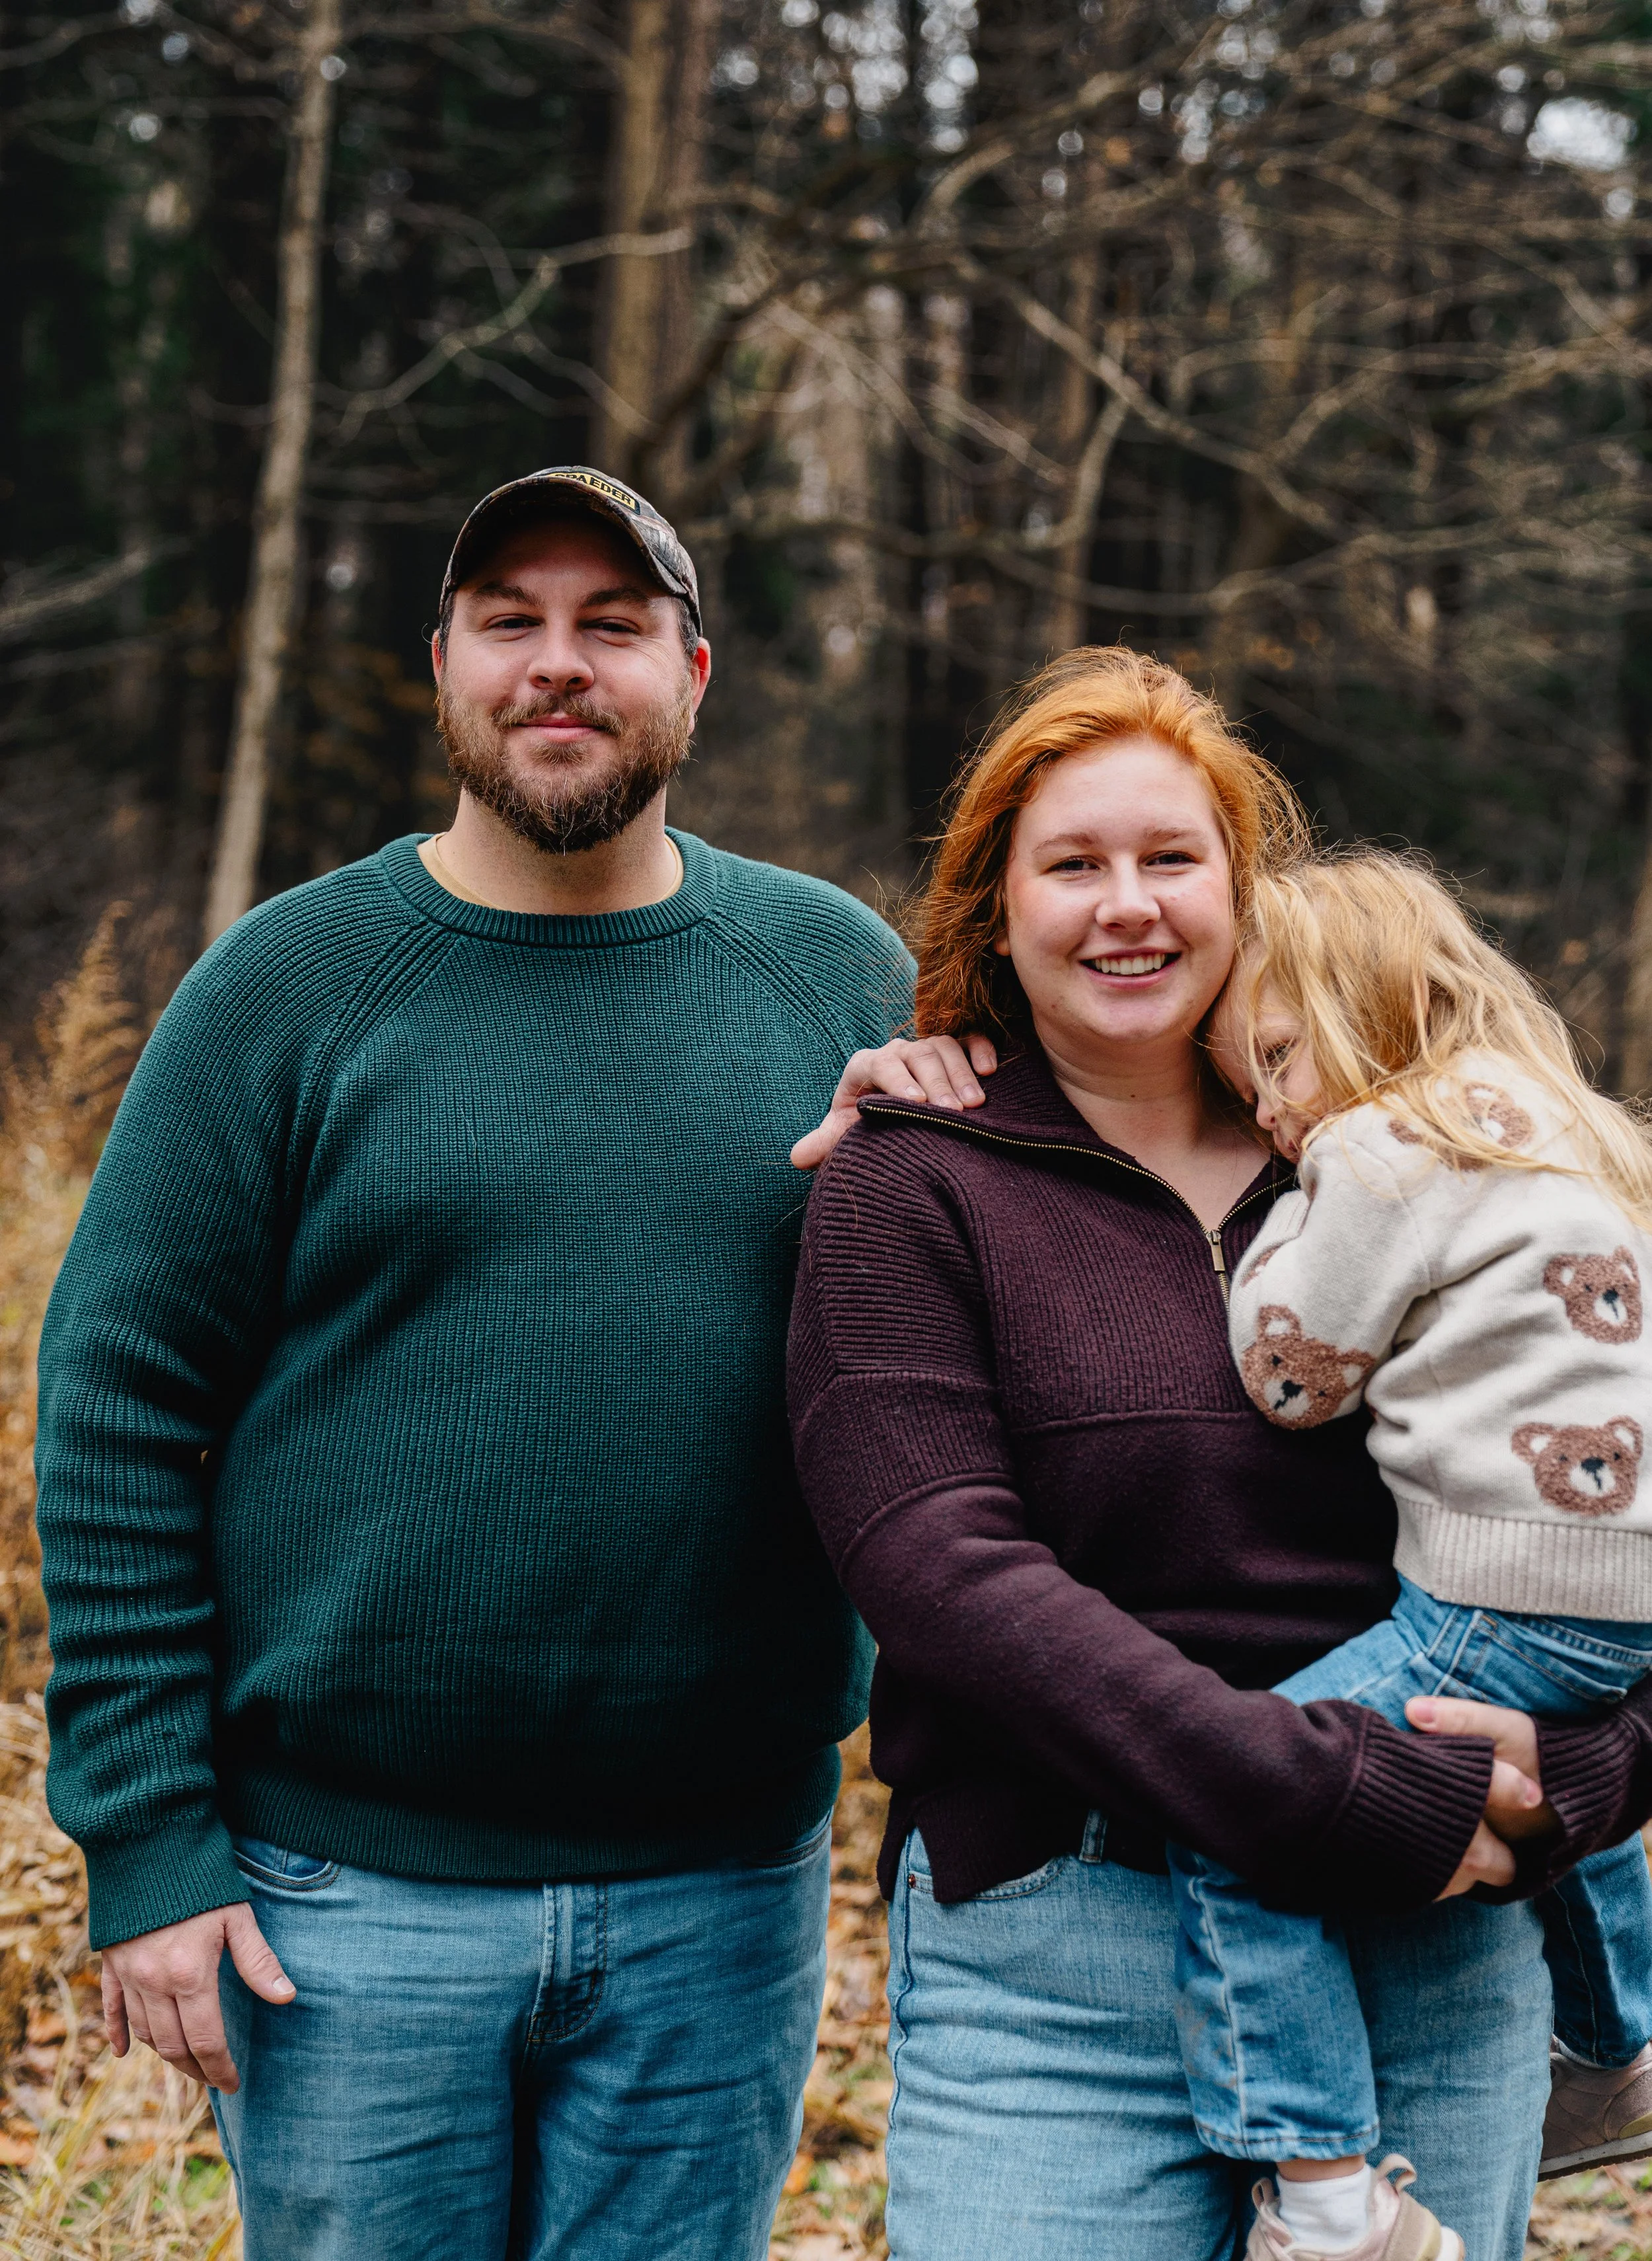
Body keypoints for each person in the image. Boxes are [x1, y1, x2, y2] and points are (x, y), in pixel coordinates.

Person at [32, 465, 926, 2261]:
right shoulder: (285, 987)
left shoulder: (835, 975)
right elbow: (117, 1403)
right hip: (341, 1901)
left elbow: (958, 1372)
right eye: (509, 622)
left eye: (609, 627)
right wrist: (146, 1839)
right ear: (440, 663)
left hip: (725, 1895)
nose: (557, 666)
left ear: (693, 670)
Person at [786, 646, 1652, 2261]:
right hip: (1055, 1957)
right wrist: (1312, 1790)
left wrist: (1596, 1771)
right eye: (1073, 864)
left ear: (1245, 893)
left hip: (1436, 1948)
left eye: (1171, 859)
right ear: (992, 906)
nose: (1127, 906)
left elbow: (1608, 1472)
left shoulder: (1407, 1160)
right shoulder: (909, 1184)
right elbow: (938, 1570)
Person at [1166, 850, 1652, 2260]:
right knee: (1536, 1763)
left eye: (1272, 1056)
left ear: (1362, 1000)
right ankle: (1615, 2049)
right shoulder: (1561, 1129)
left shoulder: (1376, 1148)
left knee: (1240, 1810)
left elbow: (1290, 1375)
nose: (1262, 1107)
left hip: (1498, 1584)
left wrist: (1251, 1237)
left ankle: (1323, 2197)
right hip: (1619, 1594)